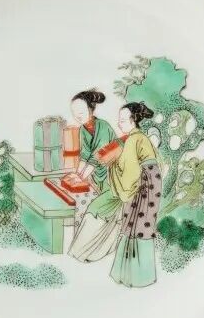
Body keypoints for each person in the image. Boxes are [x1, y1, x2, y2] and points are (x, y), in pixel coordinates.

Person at [68, 102, 162, 289]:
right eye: (119, 120)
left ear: (133, 121)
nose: (119, 124)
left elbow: (129, 171)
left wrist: (111, 164)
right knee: (134, 228)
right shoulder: (135, 137)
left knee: (136, 228)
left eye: (123, 121)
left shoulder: (134, 139)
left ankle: (137, 276)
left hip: (143, 186)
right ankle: (132, 275)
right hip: (147, 184)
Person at [68, 89, 116, 193]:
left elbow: (97, 156)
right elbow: (85, 155)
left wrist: (81, 177)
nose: (77, 115)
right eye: (74, 112)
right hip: (94, 171)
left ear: (90, 109)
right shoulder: (82, 129)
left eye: (81, 111)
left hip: (112, 171)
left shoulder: (103, 126)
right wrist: (77, 174)